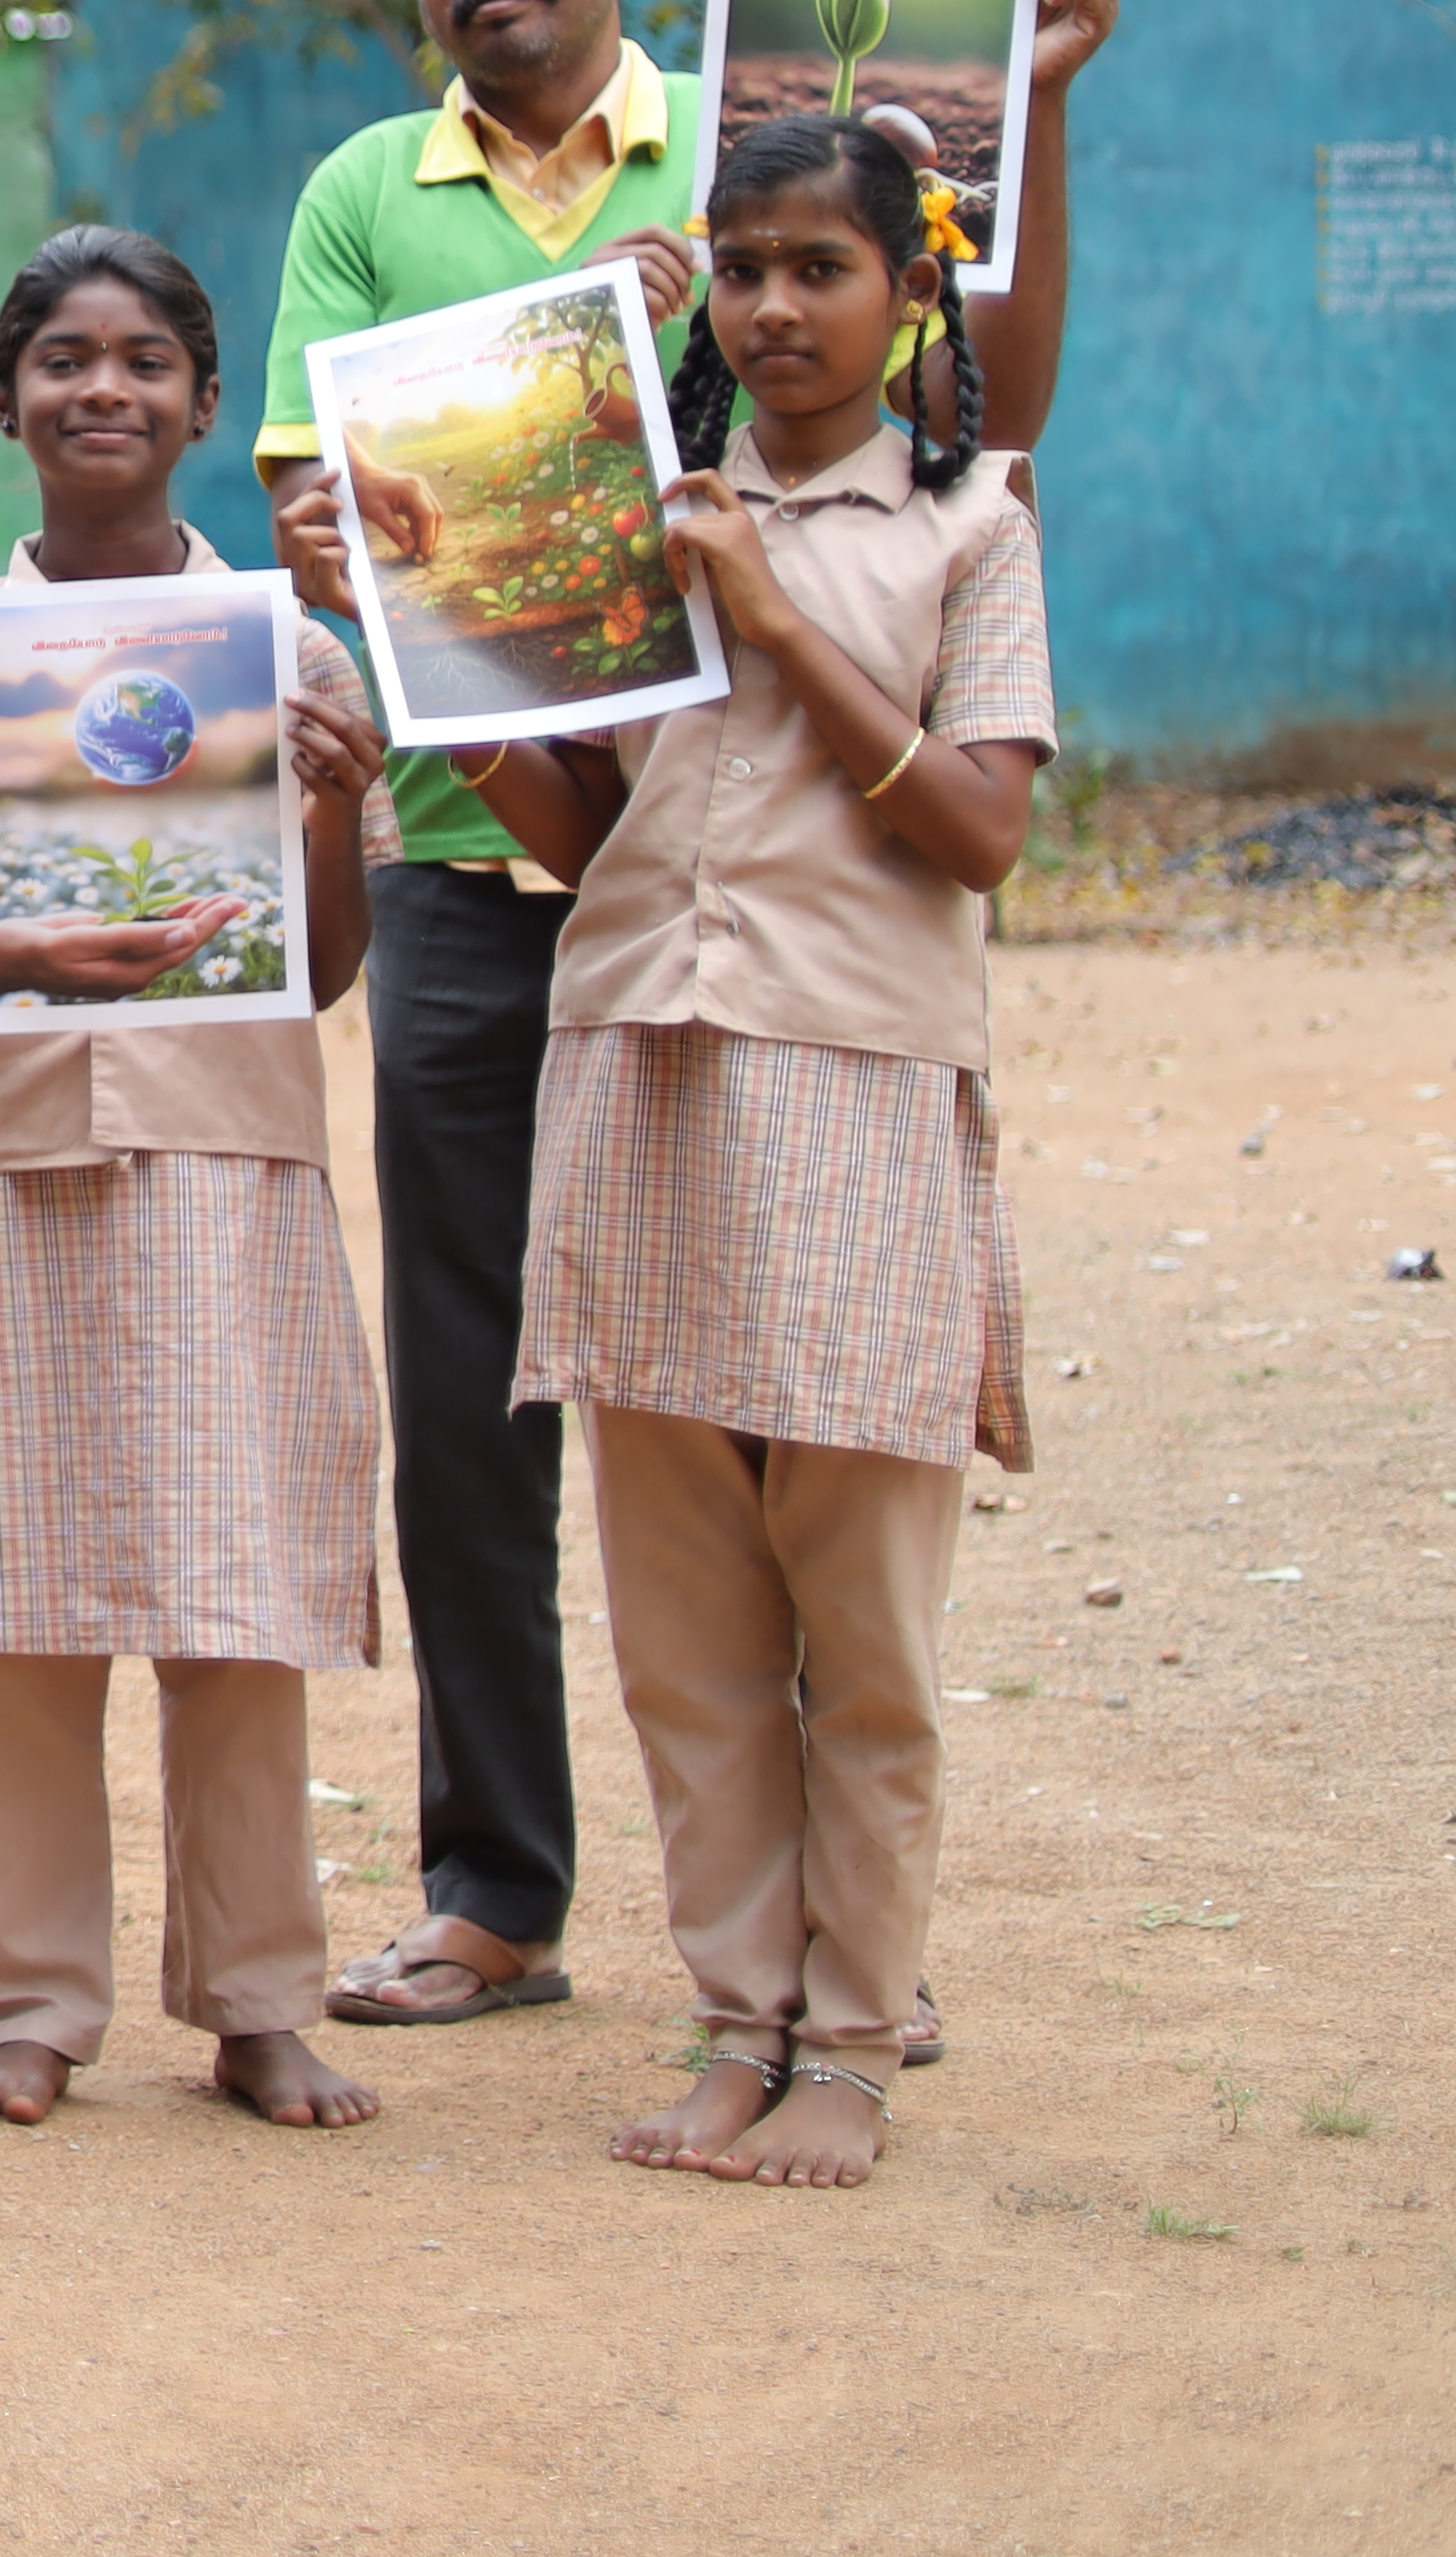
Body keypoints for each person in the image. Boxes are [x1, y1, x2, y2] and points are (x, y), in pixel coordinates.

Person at [266, 0, 1114, 2039]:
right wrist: (377, 585)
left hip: (811, 930)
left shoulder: (769, 139)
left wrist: (1029, 110)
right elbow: (351, 518)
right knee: (488, 1415)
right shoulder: (365, 194)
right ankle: (497, 1892)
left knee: (807, 1442)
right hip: (520, 853)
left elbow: (979, 394)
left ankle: (846, 1964)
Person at [454, 116, 1050, 2189]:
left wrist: (777, 615)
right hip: (641, 1080)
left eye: (822, 266)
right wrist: (466, 693)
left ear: (910, 294)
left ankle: (858, 2044)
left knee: (861, 1625)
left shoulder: (972, 521)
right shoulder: (637, 513)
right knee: (687, 1625)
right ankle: (735, 2019)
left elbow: (982, 830)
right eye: (743, 266)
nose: (777, 305)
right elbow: (597, 846)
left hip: (859, 1092)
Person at [0, 228, 390, 2136]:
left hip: (228, 1155)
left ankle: (259, 1995)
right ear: (5, 398)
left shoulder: (291, 654)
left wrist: (324, 796)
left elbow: (321, 965)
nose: (105, 389)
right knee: (21, 1582)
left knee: (237, 1579)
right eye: (64, 359)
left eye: (147, 358)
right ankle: (24, 1998)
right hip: (12, 1162)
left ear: (200, 397)